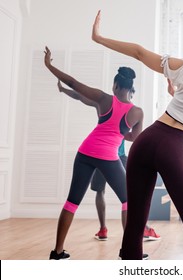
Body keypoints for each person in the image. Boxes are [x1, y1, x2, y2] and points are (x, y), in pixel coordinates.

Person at [92, 10, 183, 260]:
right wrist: (179, 95)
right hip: (177, 149)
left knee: (135, 225)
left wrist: (99, 38)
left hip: (147, 140)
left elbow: (139, 52)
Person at [44, 47, 145, 260]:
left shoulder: (103, 99)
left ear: (116, 85)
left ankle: (57, 251)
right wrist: (119, 132)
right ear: (130, 88)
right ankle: (129, 252)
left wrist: (49, 66)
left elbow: (75, 85)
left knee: (72, 202)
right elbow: (135, 137)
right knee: (128, 201)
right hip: (109, 157)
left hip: (85, 152)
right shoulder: (137, 112)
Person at [56, 81, 160, 243]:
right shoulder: (110, 104)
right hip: (105, 155)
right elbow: (81, 96)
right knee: (109, 193)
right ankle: (105, 229)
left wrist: (118, 131)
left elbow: (131, 136)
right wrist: (64, 90)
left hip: (114, 156)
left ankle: (140, 231)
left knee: (127, 197)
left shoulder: (124, 110)